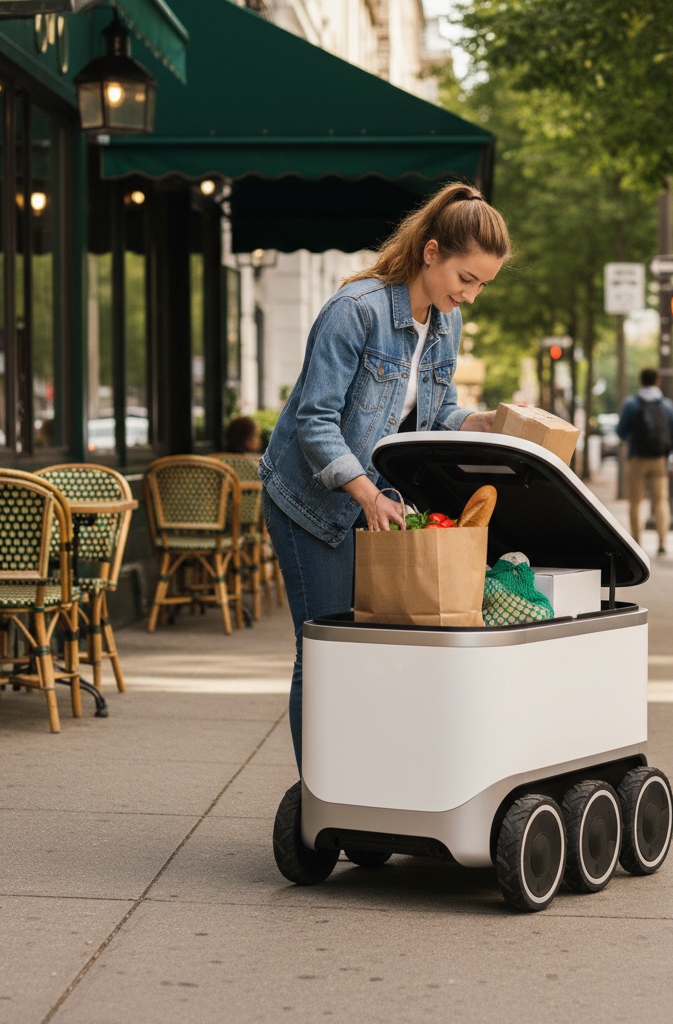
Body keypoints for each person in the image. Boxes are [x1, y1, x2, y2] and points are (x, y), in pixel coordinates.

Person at [258, 182, 512, 774]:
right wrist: (368, 493)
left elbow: (430, 414)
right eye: (466, 279)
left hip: (373, 505)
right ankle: (322, 794)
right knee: (323, 654)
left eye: (481, 285)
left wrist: (479, 421)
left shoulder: (444, 326)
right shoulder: (357, 311)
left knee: (372, 653)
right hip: (310, 505)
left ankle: (366, 783)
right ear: (430, 253)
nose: (470, 296)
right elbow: (312, 421)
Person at [616, 367, 673, 556]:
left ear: (641, 381)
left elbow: (620, 431)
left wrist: (632, 439)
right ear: (657, 381)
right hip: (659, 459)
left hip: (637, 458)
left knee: (636, 502)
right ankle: (662, 542)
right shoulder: (667, 405)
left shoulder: (631, 404)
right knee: (661, 501)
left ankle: (637, 542)